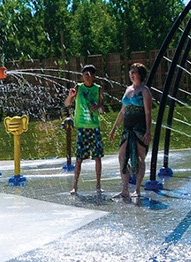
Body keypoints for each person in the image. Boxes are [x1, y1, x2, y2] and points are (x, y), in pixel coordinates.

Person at [108, 63, 152, 199]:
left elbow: (148, 112)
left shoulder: (145, 91)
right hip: (127, 128)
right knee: (121, 156)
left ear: (140, 75)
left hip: (139, 128)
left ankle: (137, 189)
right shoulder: (128, 89)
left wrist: (148, 131)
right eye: (130, 72)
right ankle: (125, 189)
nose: (131, 74)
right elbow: (122, 111)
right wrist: (114, 128)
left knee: (140, 158)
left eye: (134, 72)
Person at [65, 64, 105, 195]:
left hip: (94, 127)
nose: (86, 77)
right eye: (84, 74)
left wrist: (97, 106)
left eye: (88, 74)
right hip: (82, 127)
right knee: (79, 158)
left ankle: (98, 185)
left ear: (93, 76)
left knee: (97, 157)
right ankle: (75, 186)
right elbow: (67, 104)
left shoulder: (98, 89)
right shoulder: (78, 88)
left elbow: (102, 107)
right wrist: (70, 96)